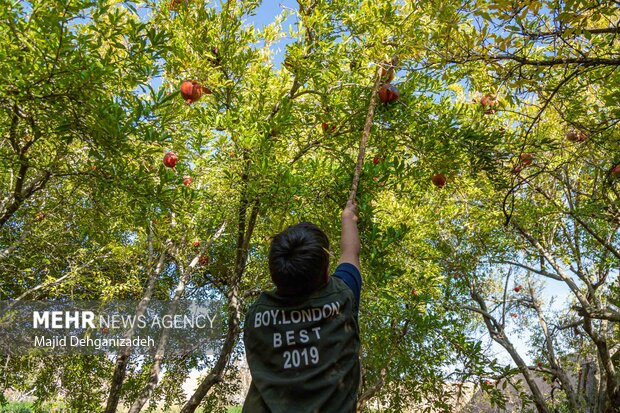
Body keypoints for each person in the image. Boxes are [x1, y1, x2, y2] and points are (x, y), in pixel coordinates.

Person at [242, 200, 362, 413]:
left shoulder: (256, 316)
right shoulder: (343, 298)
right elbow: (351, 252)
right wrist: (348, 217)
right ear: (326, 274)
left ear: (275, 275)